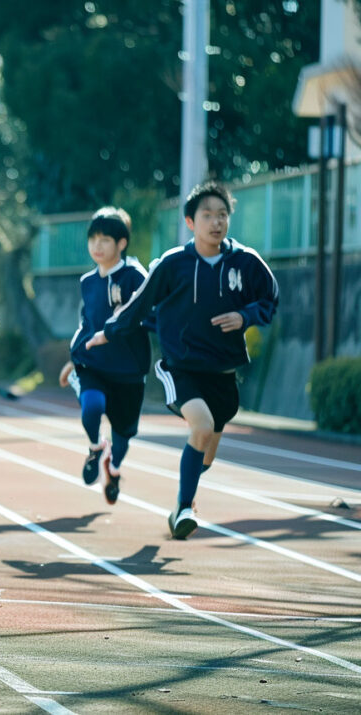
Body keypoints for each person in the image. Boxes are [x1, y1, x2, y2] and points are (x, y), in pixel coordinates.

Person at [87, 180, 278, 539]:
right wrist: (109, 331)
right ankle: (183, 508)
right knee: (201, 426)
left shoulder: (246, 262)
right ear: (191, 222)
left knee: (205, 453)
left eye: (222, 215)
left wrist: (246, 316)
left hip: (223, 374)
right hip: (181, 368)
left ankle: (188, 492)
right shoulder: (173, 264)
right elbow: (139, 304)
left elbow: (270, 298)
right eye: (207, 215)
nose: (216, 222)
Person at [59, 207, 150, 504]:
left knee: (123, 436)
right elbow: (86, 324)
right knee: (92, 406)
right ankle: (96, 447)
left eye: (105, 239)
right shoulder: (87, 282)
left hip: (128, 370)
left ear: (121, 243)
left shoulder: (136, 277)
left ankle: (114, 466)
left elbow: (150, 316)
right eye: (93, 239)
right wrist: (74, 358)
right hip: (93, 364)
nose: (97, 245)